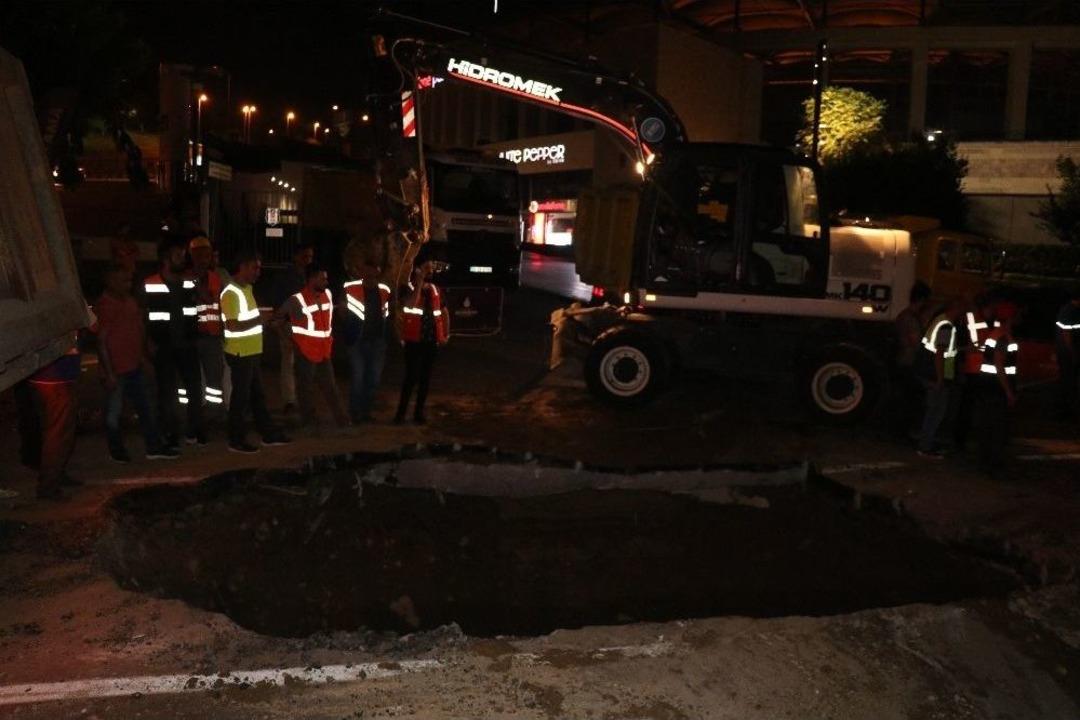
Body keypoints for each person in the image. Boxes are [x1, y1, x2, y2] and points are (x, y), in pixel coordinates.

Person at [95, 264, 177, 462]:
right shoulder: (106, 305)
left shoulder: (129, 301)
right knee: (113, 414)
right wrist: (109, 372)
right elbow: (101, 340)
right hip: (117, 369)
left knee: (146, 408)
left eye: (130, 280)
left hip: (133, 365)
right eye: (124, 280)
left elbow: (138, 330)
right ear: (110, 281)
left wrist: (143, 355)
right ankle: (117, 450)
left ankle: (154, 446)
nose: (128, 284)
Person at [220, 249, 291, 453]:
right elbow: (233, 325)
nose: (258, 272)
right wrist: (260, 319)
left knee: (256, 396)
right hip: (240, 353)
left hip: (249, 352)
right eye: (255, 267)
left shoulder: (246, 289)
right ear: (242, 267)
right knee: (241, 399)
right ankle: (236, 439)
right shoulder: (231, 292)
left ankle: (267, 434)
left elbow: (247, 321)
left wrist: (268, 321)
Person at [142, 238, 205, 448]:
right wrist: (148, 343)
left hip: (187, 345)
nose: (183, 258)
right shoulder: (150, 283)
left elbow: (198, 307)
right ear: (165, 259)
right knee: (167, 393)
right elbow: (142, 316)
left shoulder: (189, 282)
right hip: (164, 347)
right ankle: (170, 433)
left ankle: (194, 431)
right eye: (178, 255)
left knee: (195, 390)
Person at [276, 265, 349, 431]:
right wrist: (288, 335)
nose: (326, 282)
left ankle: (341, 420)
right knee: (305, 388)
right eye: (323, 278)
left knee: (329, 386)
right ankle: (309, 420)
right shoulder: (297, 300)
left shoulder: (327, 295)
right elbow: (278, 317)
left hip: (323, 350)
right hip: (305, 350)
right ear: (312, 279)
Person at [394, 251, 450, 425]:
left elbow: (444, 311)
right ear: (417, 269)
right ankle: (400, 414)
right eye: (426, 267)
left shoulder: (435, 289)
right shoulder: (407, 287)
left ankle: (419, 413)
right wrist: (419, 283)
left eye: (431, 267)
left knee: (425, 378)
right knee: (411, 378)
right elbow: (410, 303)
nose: (430, 270)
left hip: (430, 340)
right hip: (414, 340)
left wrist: (446, 334)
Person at [341, 259, 392, 423]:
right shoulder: (350, 288)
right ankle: (355, 414)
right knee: (358, 378)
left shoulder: (384, 290)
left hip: (377, 340)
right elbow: (342, 311)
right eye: (367, 270)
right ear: (362, 271)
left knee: (373, 379)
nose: (371, 274)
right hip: (357, 340)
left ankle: (365, 413)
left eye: (374, 270)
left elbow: (388, 314)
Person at [915, 298, 963, 459]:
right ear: (955, 309)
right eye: (961, 309)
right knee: (936, 412)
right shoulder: (946, 326)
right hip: (936, 376)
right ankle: (925, 446)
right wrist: (941, 379)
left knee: (933, 411)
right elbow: (940, 354)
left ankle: (925, 443)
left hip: (930, 373)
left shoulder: (939, 321)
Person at [976, 301, 1020, 476]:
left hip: (989, 385)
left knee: (988, 425)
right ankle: (993, 464)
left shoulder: (996, 334)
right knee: (997, 427)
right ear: (1010, 318)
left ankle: (987, 461)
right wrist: (1009, 391)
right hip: (996, 387)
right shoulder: (1002, 337)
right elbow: (1000, 364)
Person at [272, 244, 314, 414]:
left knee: (305, 364)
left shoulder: (310, 276)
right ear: (296, 256)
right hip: (290, 324)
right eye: (305, 256)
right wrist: (281, 324)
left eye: (310, 257)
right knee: (289, 362)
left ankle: (303, 399)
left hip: (307, 326)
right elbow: (279, 301)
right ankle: (290, 400)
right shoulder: (288, 277)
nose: (308, 260)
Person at [953, 294, 998, 452]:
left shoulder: (986, 321)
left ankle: (963, 438)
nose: (993, 311)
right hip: (972, 370)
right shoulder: (974, 320)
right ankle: (960, 440)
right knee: (967, 407)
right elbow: (965, 345)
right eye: (992, 308)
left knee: (970, 407)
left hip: (979, 370)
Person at [188, 234, 227, 413]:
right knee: (192, 379)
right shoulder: (185, 278)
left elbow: (217, 303)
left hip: (212, 336)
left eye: (206, 254)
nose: (203, 259)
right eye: (199, 254)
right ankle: (193, 412)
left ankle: (214, 412)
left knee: (214, 378)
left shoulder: (216, 278)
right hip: (191, 336)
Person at [893, 280, 931, 437]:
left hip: (901, 360)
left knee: (904, 398)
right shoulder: (911, 319)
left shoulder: (902, 315)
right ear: (922, 300)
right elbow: (916, 343)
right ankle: (905, 431)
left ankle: (900, 430)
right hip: (909, 362)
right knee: (911, 400)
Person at [1054, 289, 1080, 421]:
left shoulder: (1069, 310)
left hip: (1067, 353)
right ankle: (1064, 412)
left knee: (1069, 382)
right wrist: (1073, 353)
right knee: (1068, 383)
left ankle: (1066, 411)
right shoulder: (1070, 312)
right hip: (1067, 355)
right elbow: (1067, 335)